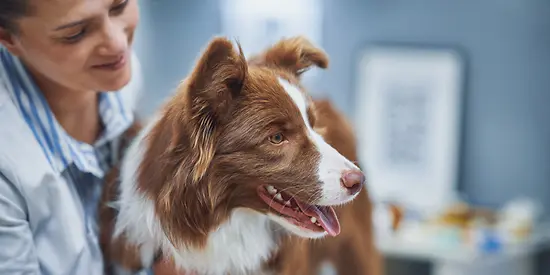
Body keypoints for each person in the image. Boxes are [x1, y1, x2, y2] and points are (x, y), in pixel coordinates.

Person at [0, 0, 181, 274]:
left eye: (119, 6)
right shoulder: (8, 166)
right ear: (8, 38)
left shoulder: (118, 74)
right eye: (76, 33)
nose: (118, 44)